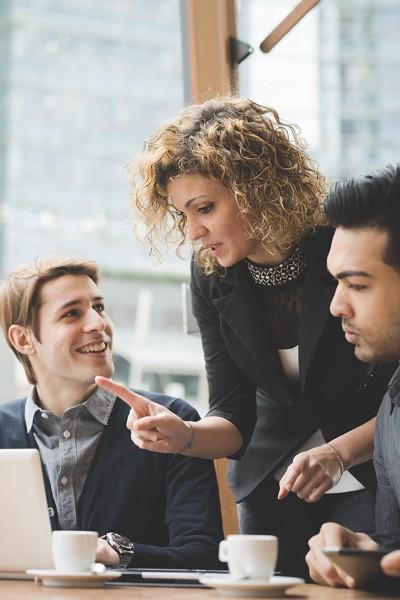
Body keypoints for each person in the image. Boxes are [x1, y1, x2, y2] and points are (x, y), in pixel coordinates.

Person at [98, 97, 395, 576]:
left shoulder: (342, 242)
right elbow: (234, 411)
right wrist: (186, 436)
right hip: (270, 484)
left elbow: (395, 394)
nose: (194, 232)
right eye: (183, 216)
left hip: (368, 473)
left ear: (257, 187)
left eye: (205, 208)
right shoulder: (212, 274)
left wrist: (340, 452)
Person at [0, 257, 223, 569]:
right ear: (23, 339)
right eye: (71, 313)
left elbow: (204, 555)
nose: (98, 324)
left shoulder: (170, 421)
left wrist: (120, 551)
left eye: (99, 308)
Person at [305, 164, 400, 587]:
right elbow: (393, 549)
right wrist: (361, 554)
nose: (336, 306)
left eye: (357, 285)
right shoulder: (393, 404)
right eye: (336, 284)